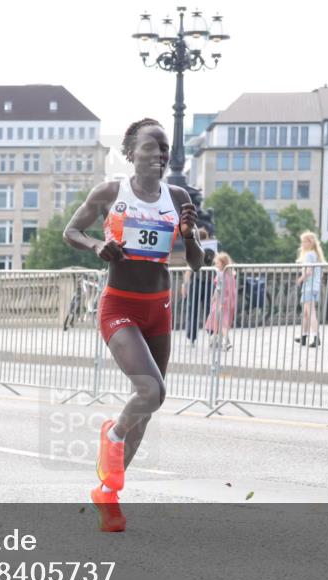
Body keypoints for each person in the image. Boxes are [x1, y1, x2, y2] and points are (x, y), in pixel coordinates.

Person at [63, 118, 204, 532]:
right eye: (152, 147)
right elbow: (72, 230)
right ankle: (113, 435)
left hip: (158, 307)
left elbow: (197, 263)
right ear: (130, 152)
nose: (160, 154)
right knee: (150, 390)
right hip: (119, 304)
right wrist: (95, 245)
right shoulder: (110, 192)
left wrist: (190, 234)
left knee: (151, 404)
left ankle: (108, 495)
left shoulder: (178, 197)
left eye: (165, 148)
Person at [295, 231, 325, 348]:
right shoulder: (316, 255)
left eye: (304, 241)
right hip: (315, 287)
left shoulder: (309, 255)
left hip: (309, 286)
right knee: (307, 313)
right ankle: (303, 336)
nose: (302, 244)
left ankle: (316, 337)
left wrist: (300, 279)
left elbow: (308, 271)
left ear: (310, 242)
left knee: (311, 313)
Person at [205, 252, 237, 351]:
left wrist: (213, 298)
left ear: (222, 264)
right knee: (223, 321)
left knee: (218, 321)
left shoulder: (220, 275)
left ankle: (225, 341)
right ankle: (216, 339)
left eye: (217, 264)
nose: (215, 266)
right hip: (229, 301)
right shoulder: (231, 274)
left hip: (221, 301)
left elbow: (217, 289)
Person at [181, 248, 215, 344]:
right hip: (203, 282)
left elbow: (188, 270)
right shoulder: (209, 251)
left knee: (196, 310)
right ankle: (210, 334)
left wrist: (185, 285)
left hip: (202, 282)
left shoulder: (206, 250)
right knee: (205, 309)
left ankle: (193, 336)